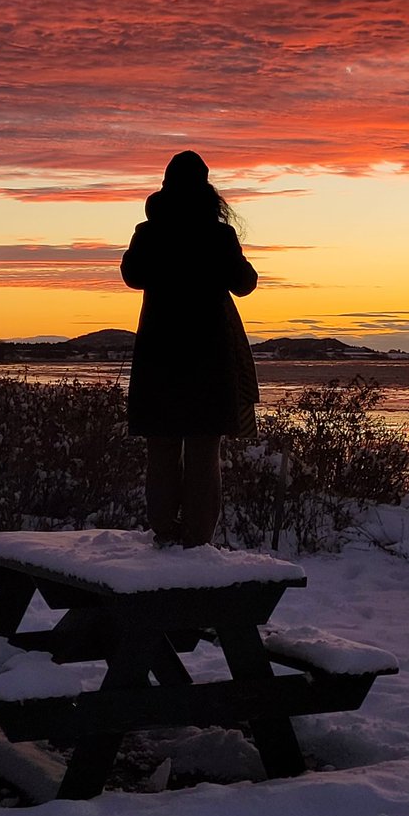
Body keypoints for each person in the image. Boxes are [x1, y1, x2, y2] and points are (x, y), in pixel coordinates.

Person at [120, 150, 259, 547]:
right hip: (209, 359)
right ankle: (197, 541)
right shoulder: (218, 235)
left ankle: (165, 531)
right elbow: (245, 283)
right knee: (203, 451)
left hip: (158, 358)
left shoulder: (149, 233)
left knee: (161, 448)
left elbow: (131, 275)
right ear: (206, 190)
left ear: (165, 187)